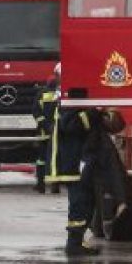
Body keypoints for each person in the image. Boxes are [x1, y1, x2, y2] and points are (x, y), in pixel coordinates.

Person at [46, 104, 106, 256]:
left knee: (86, 201)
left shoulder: (72, 104)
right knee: (80, 202)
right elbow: (71, 126)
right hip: (71, 162)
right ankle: (73, 244)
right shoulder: (68, 105)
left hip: (75, 161)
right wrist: (94, 112)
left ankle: (77, 241)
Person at [34, 64, 61, 194]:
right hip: (59, 132)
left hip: (45, 132)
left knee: (42, 159)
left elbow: (36, 113)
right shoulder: (61, 94)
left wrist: (45, 126)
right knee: (56, 158)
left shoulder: (41, 94)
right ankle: (55, 185)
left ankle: (40, 184)